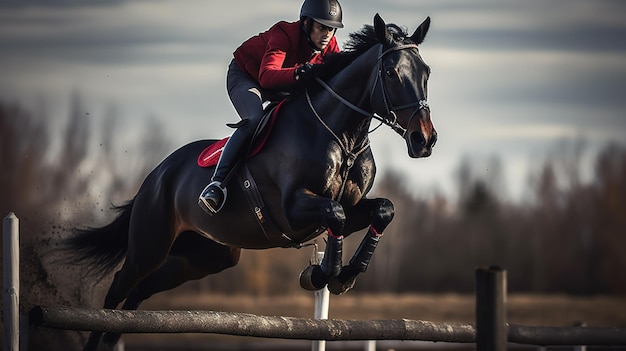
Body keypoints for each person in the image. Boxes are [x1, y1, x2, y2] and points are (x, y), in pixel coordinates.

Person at [198, 0, 343, 214]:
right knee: (254, 119)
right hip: (247, 77)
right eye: (322, 27)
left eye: (331, 29)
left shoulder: (330, 47)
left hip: (284, 85)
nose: (327, 35)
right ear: (306, 23)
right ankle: (216, 184)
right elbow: (266, 77)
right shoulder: (283, 33)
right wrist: (298, 73)